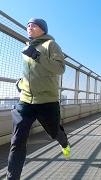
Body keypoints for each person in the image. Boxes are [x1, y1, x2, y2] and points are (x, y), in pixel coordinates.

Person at [6, 18, 70, 180]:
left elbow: (59, 68)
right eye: (28, 25)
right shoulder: (26, 47)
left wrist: (36, 56)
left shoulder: (51, 45)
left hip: (47, 100)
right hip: (25, 101)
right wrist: (21, 83)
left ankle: (64, 143)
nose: (29, 27)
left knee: (54, 132)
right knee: (17, 140)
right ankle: (12, 177)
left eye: (33, 25)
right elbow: (30, 72)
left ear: (43, 29)